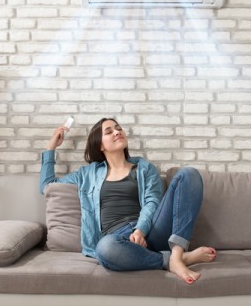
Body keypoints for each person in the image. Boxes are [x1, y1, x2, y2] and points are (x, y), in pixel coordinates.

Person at [40, 117, 216, 284]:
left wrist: (140, 230)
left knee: (189, 174)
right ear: (100, 145)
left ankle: (177, 256)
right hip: (118, 240)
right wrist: (51, 147)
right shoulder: (87, 174)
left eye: (118, 128)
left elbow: (152, 201)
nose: (117, 132)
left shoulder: (143, 168)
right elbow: (47, 186)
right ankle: (172, 260)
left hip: (151, 231)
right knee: (105, 248)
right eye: (109, 132)